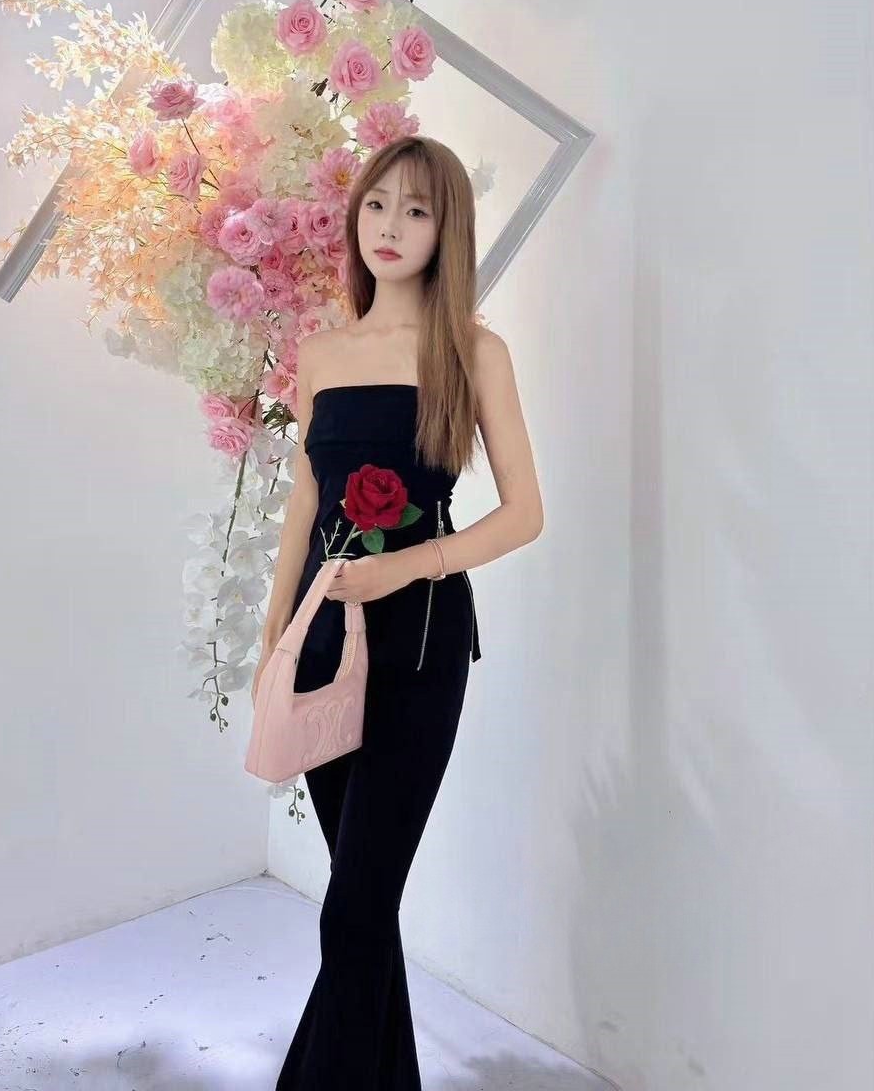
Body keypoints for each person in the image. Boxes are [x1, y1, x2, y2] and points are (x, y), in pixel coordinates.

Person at [254, 134, 544, 1089]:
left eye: (416, 210)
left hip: (421, 646)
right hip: (320, 642)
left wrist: (406, 567)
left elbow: (524, 514)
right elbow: (305, 501)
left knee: (353, 907)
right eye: (377, 204)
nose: (390, 226)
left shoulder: (473, 352)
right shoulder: (320, 353)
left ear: (443, 230)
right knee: (362, 907)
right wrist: (273, 636)